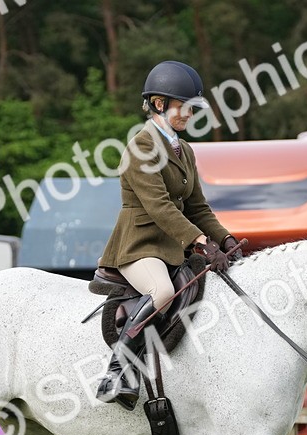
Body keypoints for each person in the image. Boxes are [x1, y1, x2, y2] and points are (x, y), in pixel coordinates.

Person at [95, 60, 241, 409]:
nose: (190, 114)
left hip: (172, 248)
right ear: (159, 104)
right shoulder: (141, 148)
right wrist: (201, 242)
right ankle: (117, 371)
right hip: (140, 245)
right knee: (162, 290)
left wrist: (226, 239)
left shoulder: (184, 150)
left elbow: (198, 207)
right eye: (185, 107)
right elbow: (160, 208)